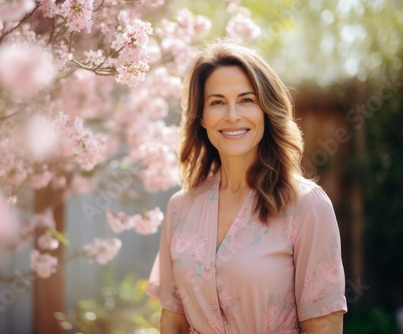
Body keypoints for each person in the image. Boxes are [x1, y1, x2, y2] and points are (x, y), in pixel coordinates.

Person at [147, 39, 348, 334]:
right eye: (217, 102)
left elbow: (325, 325)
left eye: (246, 99)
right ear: (202, 117)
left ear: (266, 110)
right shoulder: (180, 208)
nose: (232, 115)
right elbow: (172, 320)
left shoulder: (307, 206)